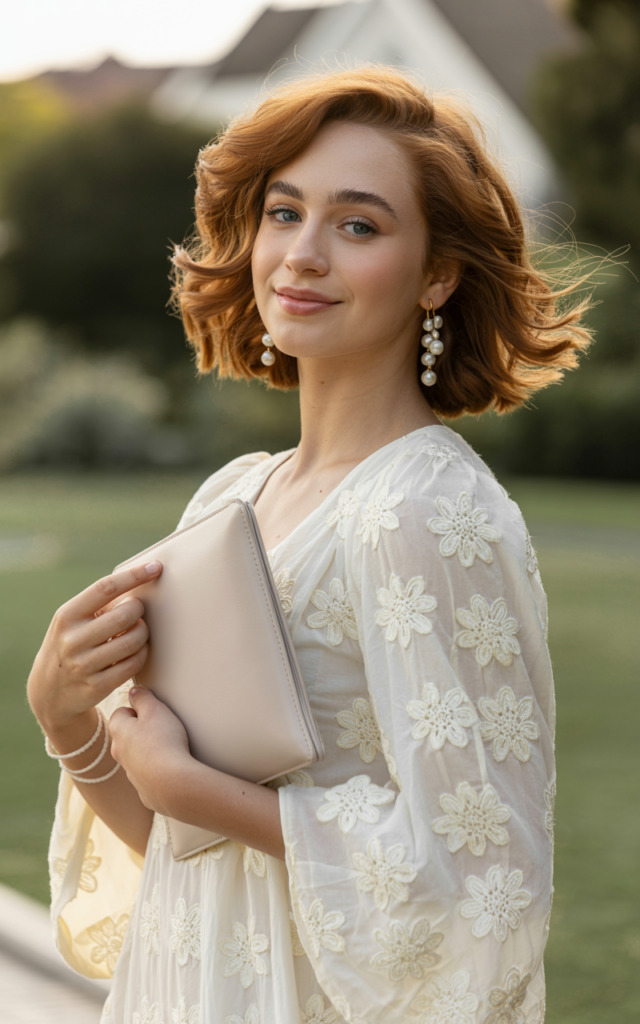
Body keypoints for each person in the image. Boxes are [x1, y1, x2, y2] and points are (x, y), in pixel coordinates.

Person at [28, 68, 591, 1024]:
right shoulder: (234, 495)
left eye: (359, 225)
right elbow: (182, 844)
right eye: (285, 213)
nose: (303, 254)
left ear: (438, 274)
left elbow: (484, 876)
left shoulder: (430, 509)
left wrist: (190, 786)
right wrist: (67, 720)